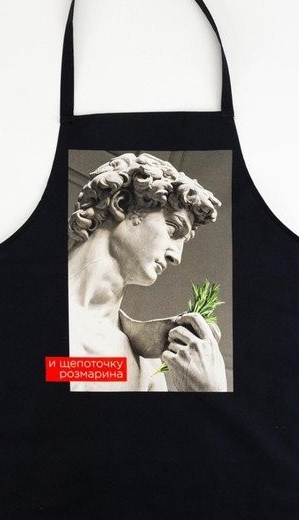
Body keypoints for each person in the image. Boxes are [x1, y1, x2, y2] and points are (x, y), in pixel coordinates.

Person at [67, 152, 228, 392]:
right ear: (122, 204)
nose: (176, 256)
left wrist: (208, 393)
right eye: (173, 228)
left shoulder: (142, 363)